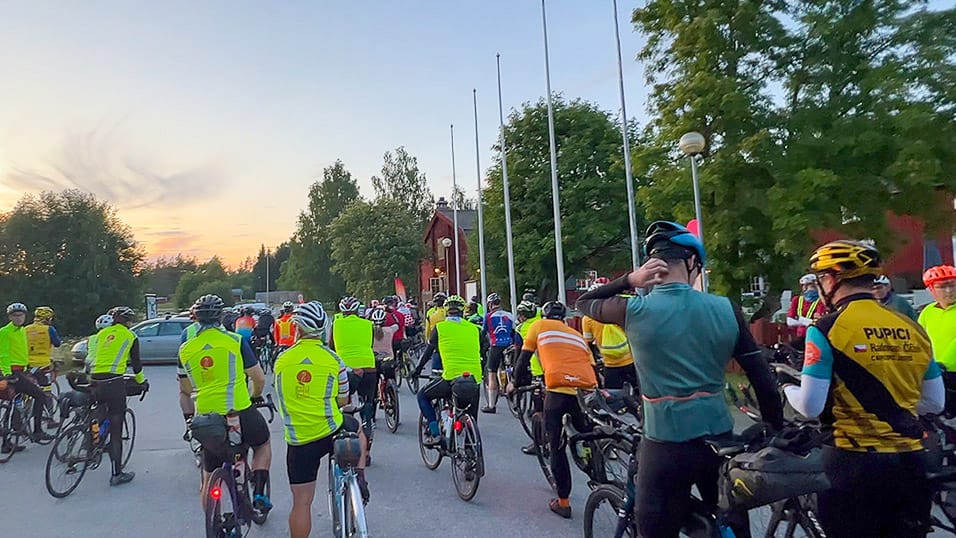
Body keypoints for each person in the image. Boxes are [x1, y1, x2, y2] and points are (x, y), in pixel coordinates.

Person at [575, 221, 784, 537]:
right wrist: (774, 430)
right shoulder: (725, 308)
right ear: (691, 263)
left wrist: (630, 279)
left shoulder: (634, 310)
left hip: (665, 443)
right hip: (720, 438)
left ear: (653, 266)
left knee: (655, 526)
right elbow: (763, 380)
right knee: (732, 522)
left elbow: (584, 303)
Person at [782, 240, 943, 537]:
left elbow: (810, 406)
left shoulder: (826, 328)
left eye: (820, 280)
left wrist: (787, 387)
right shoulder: (912, 327)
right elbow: (934, 402)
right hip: (911, 462)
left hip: (853, 464)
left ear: (831, 279)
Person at [273, 301, 366, 538]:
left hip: (299, 439)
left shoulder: (281, 361)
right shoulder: (334, 360)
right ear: (323, 328)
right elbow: (344, 400)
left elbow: (283, 397)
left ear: (297, 329)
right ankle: (361, 478)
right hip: (330, 428)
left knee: (302, 503)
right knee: (358, 429)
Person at [178, 295, 272, 512]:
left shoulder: (186, 348)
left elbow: (185, 388)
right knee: (263, 444)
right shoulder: (236, 341)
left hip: (208, 417)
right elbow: (258, 378)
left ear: (196, 318)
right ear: (221, 316)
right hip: (239, 409)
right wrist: (255, 395)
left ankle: (213, 521)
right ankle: (258, 492)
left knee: (209, 474)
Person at [509, 300, 596, 518]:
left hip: (557, 390)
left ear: (544, 315)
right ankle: (598, 469)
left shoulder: (538, 326)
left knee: (556, 446)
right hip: (583, 391)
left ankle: (563, 502)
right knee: (586, 432)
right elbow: (591, 364)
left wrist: (515, 384)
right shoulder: (574, 333)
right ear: (564, 318)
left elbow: (523, 359)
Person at [89, 306, 148, 486]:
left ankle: (92, 443)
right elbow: (136, 365)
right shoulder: (130, 336)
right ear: (127, 322)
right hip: (114, 383)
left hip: (94, 380)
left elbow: (91, 358)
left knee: (97, 412)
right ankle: (117, 473)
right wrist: (142, 382)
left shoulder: (100, 335)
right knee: (116, 427)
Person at [412, 295, 483, 444]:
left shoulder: (440, 327)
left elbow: (428, 352)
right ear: (463, 311)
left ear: (446, 311)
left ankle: (435, 433)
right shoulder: (474, 329)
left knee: (422, 396)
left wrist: (417, 370)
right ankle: (471, 457)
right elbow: (484, 346)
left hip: (451, 377)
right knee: (471, 416)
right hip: (474, 377)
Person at [0, 303, 54, 451]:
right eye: (15, 315)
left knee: (13, 405)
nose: (18, 318)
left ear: (25, 316)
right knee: (40, 396)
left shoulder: (23, 331)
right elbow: (3, 354)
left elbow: (21, 352)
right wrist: (7, 374)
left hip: (21, 370)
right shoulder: (5, 332)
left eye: (21, 315)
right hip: (12, 372)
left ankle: (7, 443)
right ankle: (37, 431)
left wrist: (29, 367)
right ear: (10, 317)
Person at [329, 296, 377, 449]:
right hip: (368, 366)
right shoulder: (368, 324)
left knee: (343, 402)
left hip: (346, 368)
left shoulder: (336, 324)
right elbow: (370, 344)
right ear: (357, 310)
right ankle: (367, 432)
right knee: (368, 402)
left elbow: (331, 348)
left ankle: (347, 438)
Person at [580, 283, 637, 390]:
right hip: (630, 360)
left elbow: (588, 342)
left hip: (610, 365)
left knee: (614, 398)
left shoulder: (587, 318)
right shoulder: (619, 310)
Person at [514, 300, 544, 455]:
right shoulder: (543, 323)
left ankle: (538, 443)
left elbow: (519, 355)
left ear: (522, 316)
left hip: (539, 371)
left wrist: (515, 379)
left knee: (538, 410)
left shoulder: (522, 328)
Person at [919, 265, 956, 385]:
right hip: (934, 372)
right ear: (931, 289)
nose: (949, 291)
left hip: (948, 370)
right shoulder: (928, 311)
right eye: (942, 287)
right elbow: (919, 338)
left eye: (952, 285)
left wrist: (945, 363)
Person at [481, 292, 515, 413]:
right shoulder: (510, 315)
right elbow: (513, 331)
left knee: (492, 373)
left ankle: (491, 405)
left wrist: (482, 347)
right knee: (511, 368)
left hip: (496, 345)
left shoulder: (489, 316)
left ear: (490, 305)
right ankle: (513, 389)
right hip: (510, 345)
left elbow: (484, 332)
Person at [25, 306, 62, 403]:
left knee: (26, 387)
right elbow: (57, 343)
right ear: (48, 318)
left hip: (27, 364)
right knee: (46, 390)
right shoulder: (49, 329)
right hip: (43, 365)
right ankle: (47, 414)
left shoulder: (26, 329)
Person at [786, 274, 828, 349]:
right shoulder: (797, 300)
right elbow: (789, 321)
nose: (805, 288)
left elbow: (819, 321)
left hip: (814, 336)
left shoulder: (821, 301)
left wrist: (800, 319)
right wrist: (807, 321)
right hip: (798, 337)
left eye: (809, 286)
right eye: (803, 286)